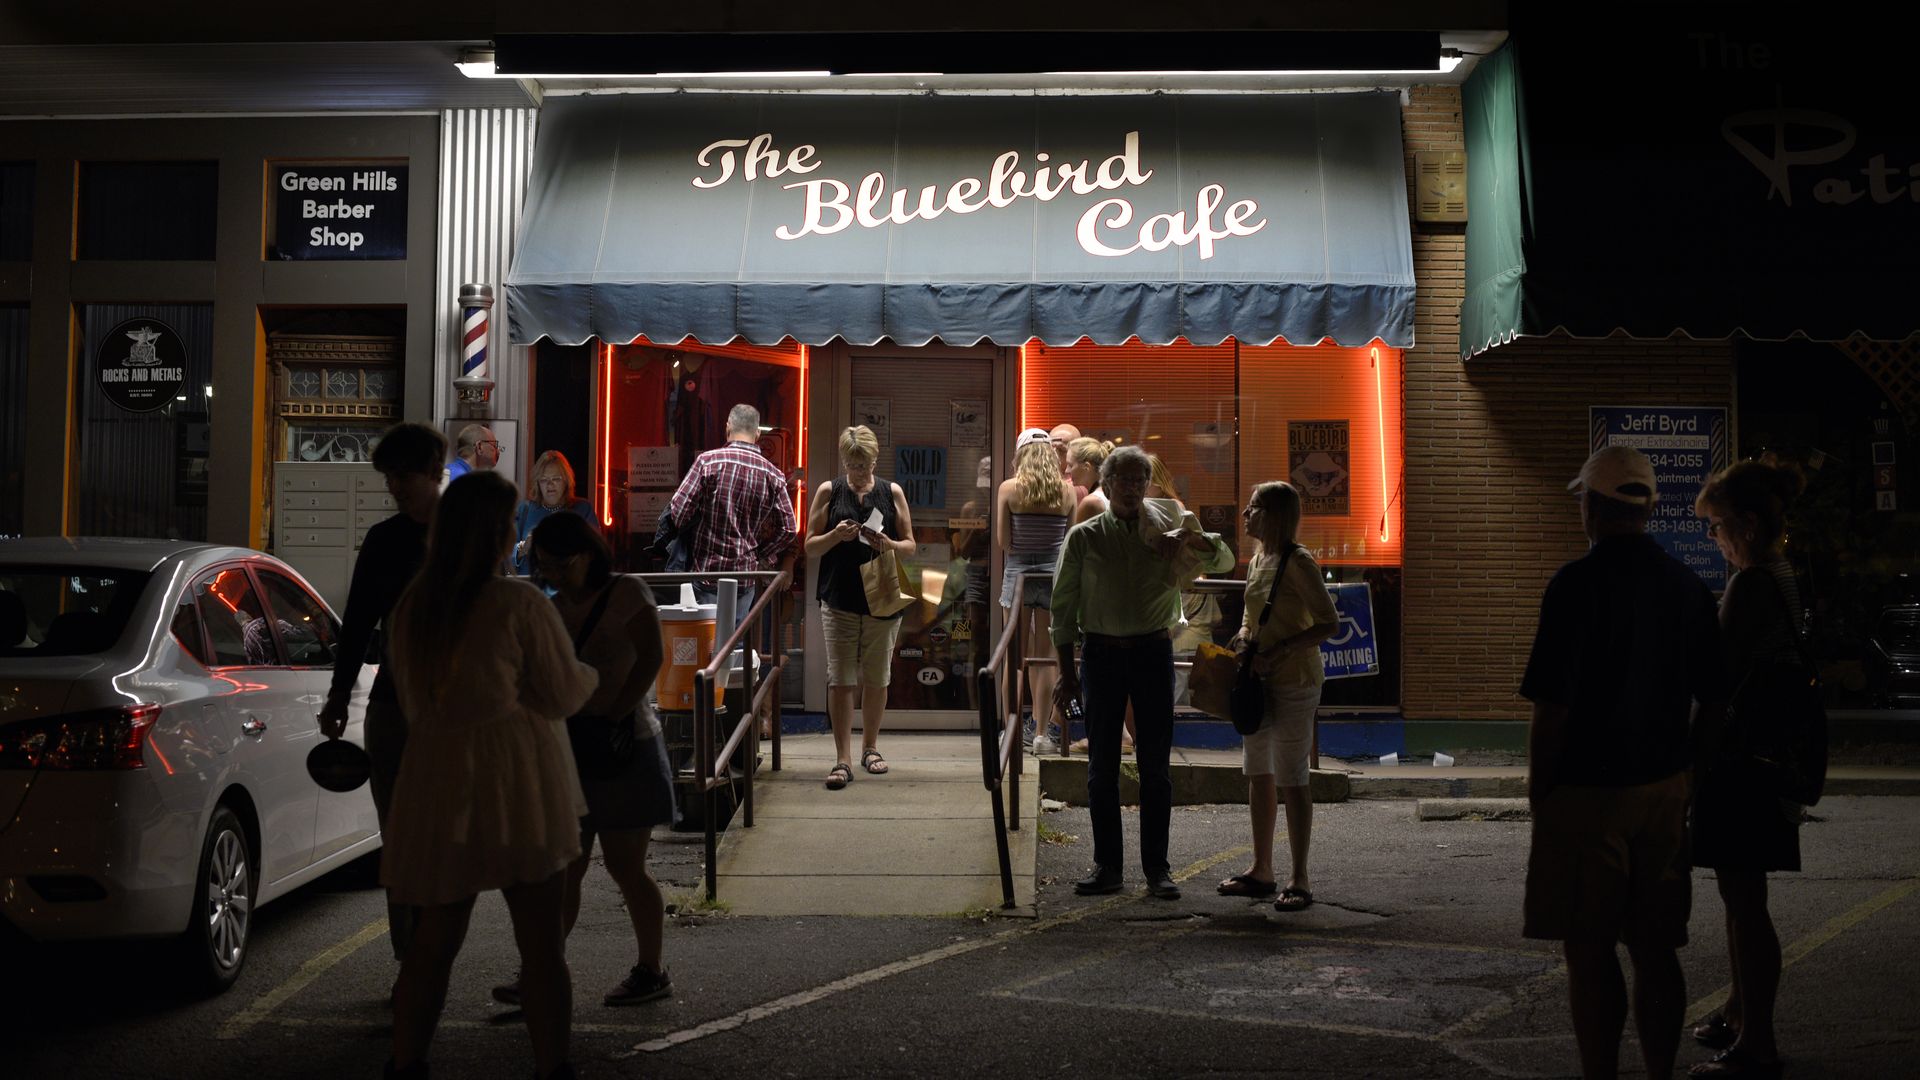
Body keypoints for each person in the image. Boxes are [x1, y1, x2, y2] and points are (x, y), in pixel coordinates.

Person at [381, 471, 599, 1080]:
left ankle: (407, 1060)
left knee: (434, 942)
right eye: (508, 524)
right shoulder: (519, 603)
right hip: (518, 779)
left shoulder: (414, 608)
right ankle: (552, 1064)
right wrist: (596, 674)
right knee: (541, 946)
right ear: (495, 534)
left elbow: (411, 698)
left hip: (437, 779)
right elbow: (563, 693)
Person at [1520, 446, 1727, 1080]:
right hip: (1664, 787)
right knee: (1656, 947)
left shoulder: (1574, 586)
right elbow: (1714, 699)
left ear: (1593, 507)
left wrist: (1540, 788)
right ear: (1649, 508)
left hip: (1586, 790)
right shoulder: (1688, 587)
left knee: (1589, 949)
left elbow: (1552, 705)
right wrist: (1687, 773)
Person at [492, 512, 676, 1010]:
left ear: (587, 554)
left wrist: (615, 714)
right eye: (542, 565)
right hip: (570, 742)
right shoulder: (550, 606)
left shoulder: (627, 593)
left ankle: (651, 968)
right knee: (566, 866)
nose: (550, 574)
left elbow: (652, 657)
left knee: (625, 865)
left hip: (624, 744)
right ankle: (541, 970)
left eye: (559, 564)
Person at [1051, 445, 1235, 900]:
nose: (1133, 488)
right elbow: (1062, 607)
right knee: (1101, 769)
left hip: (1153, 651)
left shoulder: (1168, 523)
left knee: (1155, 767)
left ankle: (1158, 869)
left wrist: (1189, 541)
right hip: (1101, 655)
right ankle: (1107, 866)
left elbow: (1225, 560)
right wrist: (1066, 671)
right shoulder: (1086, 535)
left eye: (1140, 480)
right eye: (1124, 480)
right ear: (1106, 483)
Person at [1687, 458, 1813, 1080]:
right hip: (1769, 760)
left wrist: (1689, 763)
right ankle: (1739, 1013)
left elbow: (1717, 682)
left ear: (1748, 523)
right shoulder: (1779, 576)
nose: (1713, 541)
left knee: (1744, 902)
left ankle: (1756, 1042)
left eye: (1716, 528)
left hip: (1744, 765)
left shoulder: (1753, 585)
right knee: (1743, 896)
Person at [317, 421, 446, 975]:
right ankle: (411, 963)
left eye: (403, 475)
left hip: (455, 714)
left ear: (434, 474)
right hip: (393, 707)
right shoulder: (384, 540)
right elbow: (357, 626)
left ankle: (433, 954)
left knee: (442, 838)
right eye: (389, 476)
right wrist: (340, 694)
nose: (394, 485)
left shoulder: (465, 536)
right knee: (397, 835)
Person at [1218, 482, 1338, 910]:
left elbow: (1329, 622)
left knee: (1292, 775)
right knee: (1258, 772)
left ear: (1273, 515)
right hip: (1259, 680)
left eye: (1253, 508)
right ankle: (1261, 868)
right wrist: (1245, 638)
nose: (1246, 514)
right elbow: (1254, 615)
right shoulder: (1259, 558)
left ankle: (1299, 877)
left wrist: (1282, 649)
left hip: (1294, 680)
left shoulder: (1298, 561)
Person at [802, 425, 915, 789]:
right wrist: (836, 535)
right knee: (840, 677)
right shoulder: (828, 491)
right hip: (839, 595)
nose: (858, 473)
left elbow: (911, 545)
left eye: (864, 465)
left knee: (877, 675)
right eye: (852, 465)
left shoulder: (891, 491)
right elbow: (809, 546)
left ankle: (871, 748)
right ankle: (842, 759)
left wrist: (889, 544)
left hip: (881, 593)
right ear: (843, 461)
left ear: (875, 460)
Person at [667, 403, 799, 630]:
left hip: (707, 572)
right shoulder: (773, 475)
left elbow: (678, 512)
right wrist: (760, 553)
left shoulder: (708, 462)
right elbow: (788, 529)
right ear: (758, 434)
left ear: (727, 427)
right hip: (745, 577)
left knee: (707, 645)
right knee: (736, 648)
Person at [996, 429, 1076, 754]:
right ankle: (1042, 734)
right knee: (1046, 658)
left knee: (1014, 660)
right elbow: (1070, 541)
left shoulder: (1009, 489)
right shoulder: (1066, 492)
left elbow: (1004, 542)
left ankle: (1011, 734)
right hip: (1053, 578)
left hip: (1018, 577)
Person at [512, 450, 594, 576]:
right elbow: (505, 556)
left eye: (556, 479)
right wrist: (523, 548)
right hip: (531, 588)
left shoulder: (582, 509)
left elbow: (596, 554)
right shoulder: (524, 510)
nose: (550, 484)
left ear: (566, 481)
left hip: (569, 588)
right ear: (537, 484)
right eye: (544, 480)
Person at [1068, 437, 1115, 525]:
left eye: (1070, 465)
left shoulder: (1091, 502)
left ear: (1087, 467)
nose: (1067, 471)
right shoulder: (1110, 493)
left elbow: (1077, 538)